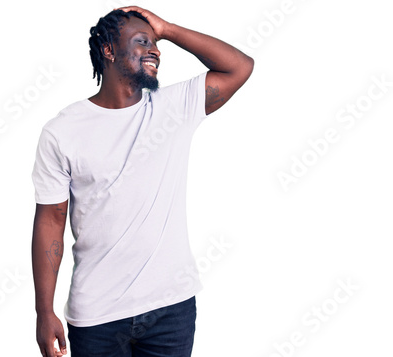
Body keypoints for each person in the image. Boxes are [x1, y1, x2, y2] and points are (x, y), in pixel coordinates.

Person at [31, 5, 254, 357]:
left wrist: (167, 29)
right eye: (142, 42)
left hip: (171, 310)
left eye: (155, 43)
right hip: (97, 316)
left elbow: (239, 66)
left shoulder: (174, 108)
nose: (155, 50)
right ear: (108, 50)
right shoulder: (62, 131)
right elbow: (51, 220)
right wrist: (44, 312)